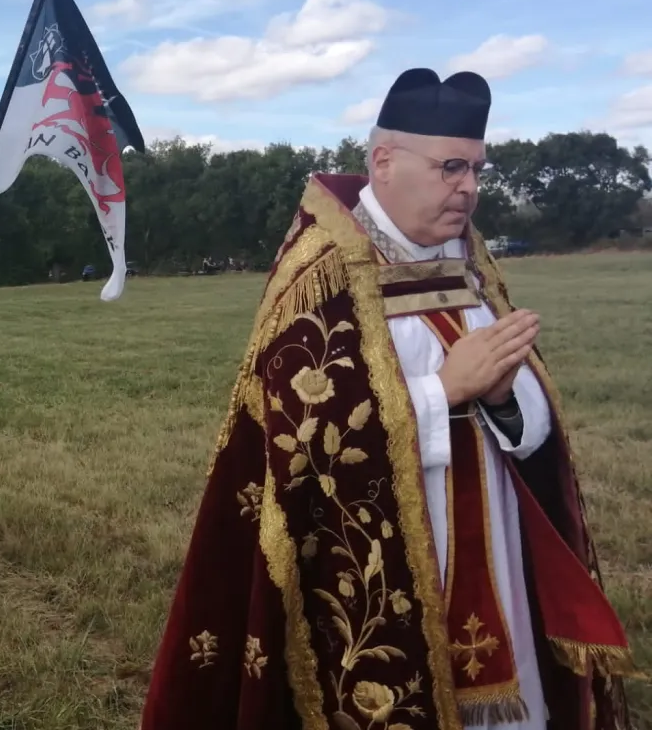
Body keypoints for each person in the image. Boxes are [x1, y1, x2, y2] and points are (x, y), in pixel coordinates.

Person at [139, 68, 634, 730]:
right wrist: (444, 392)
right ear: (384, 161)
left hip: (496, 554)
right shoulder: (323, 270)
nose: (470, 187)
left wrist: (506, 399)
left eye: (478, 170)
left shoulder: (472, 264)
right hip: (370, 570)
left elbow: (536, 424)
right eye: (451, 167)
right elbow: (300, 440)